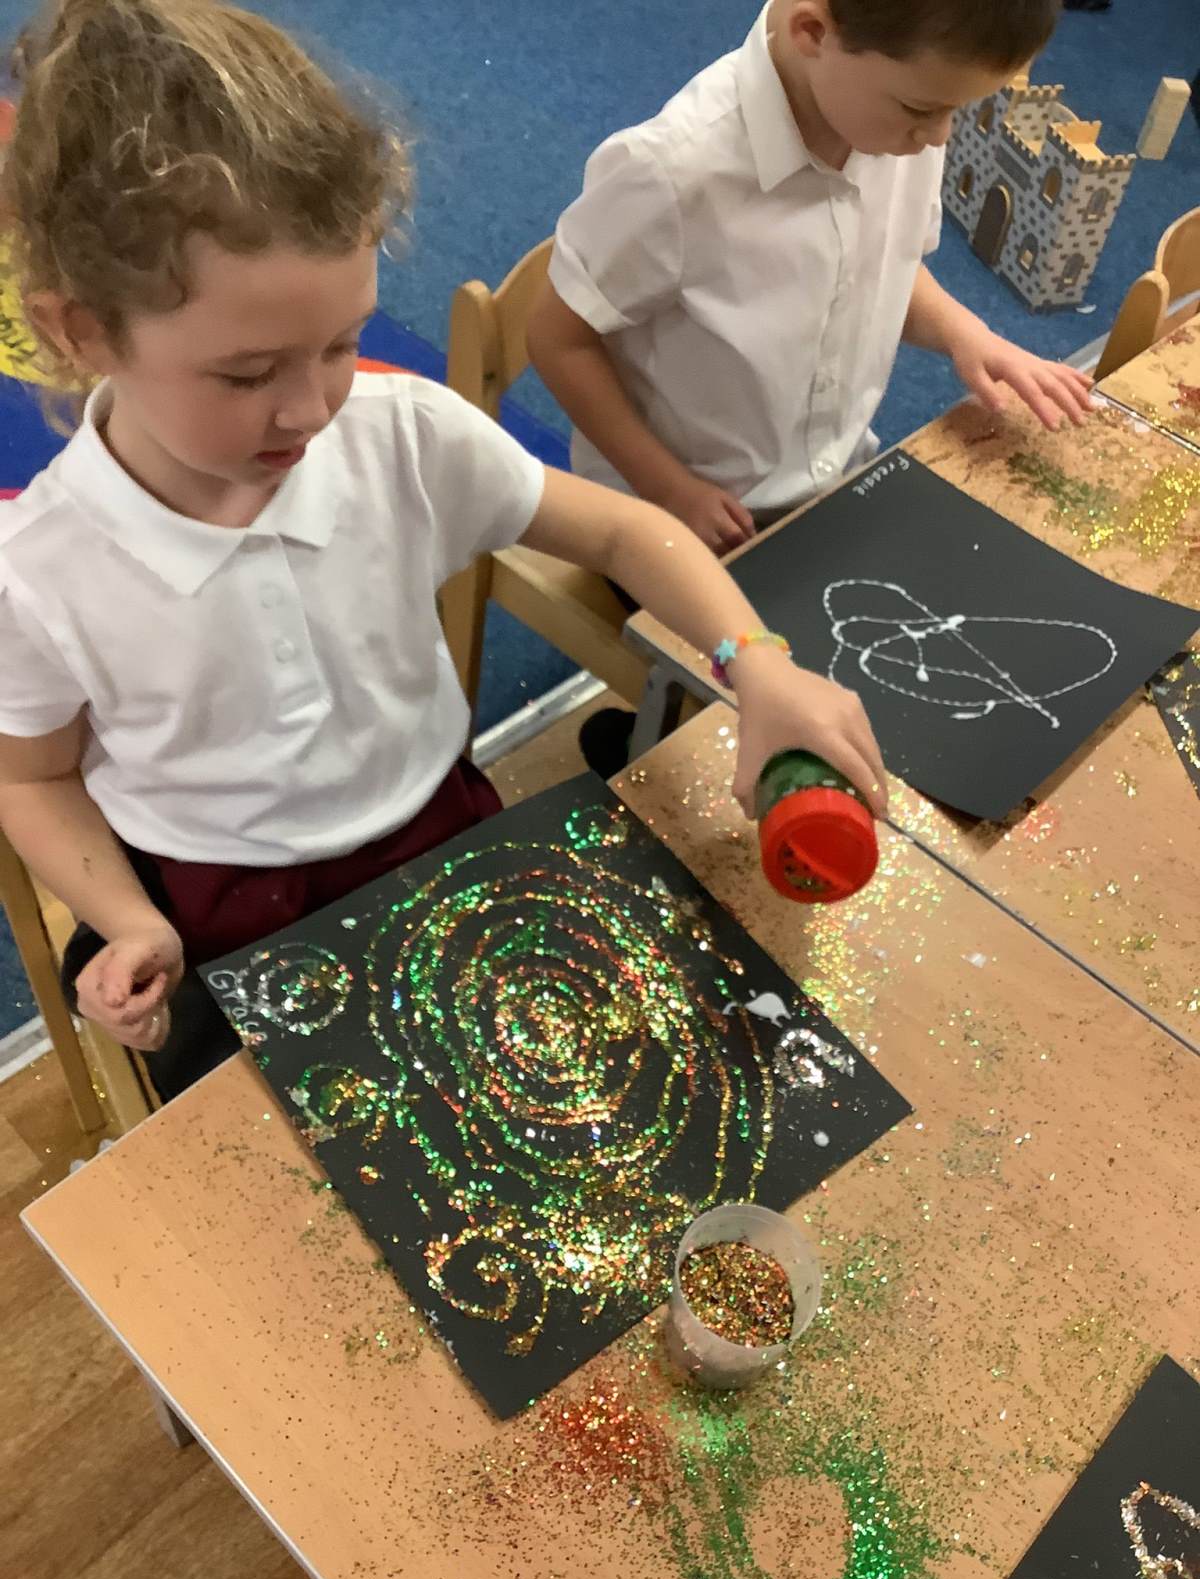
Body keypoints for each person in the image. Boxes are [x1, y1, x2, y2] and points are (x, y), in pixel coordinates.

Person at [0, 0, 888, 1101]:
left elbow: (625, 529)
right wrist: (125, 921)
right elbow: (30, 775)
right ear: (82, 332)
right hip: (216, 912)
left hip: (438, 833)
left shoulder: (402, 436)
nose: (310, 408)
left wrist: (757, 663)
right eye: (247, 373)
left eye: (342, 342)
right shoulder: (38, 569)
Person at [528, 0, 1096, 558]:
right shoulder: (671, 173)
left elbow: (881, 262)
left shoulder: (900, 122)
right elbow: (557, 339)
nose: (940, 136)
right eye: (923, 109)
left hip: (830, 483)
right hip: (679, 522)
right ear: (813, 32)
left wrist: (965, 333)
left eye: (960, 111)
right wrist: (669, 489)